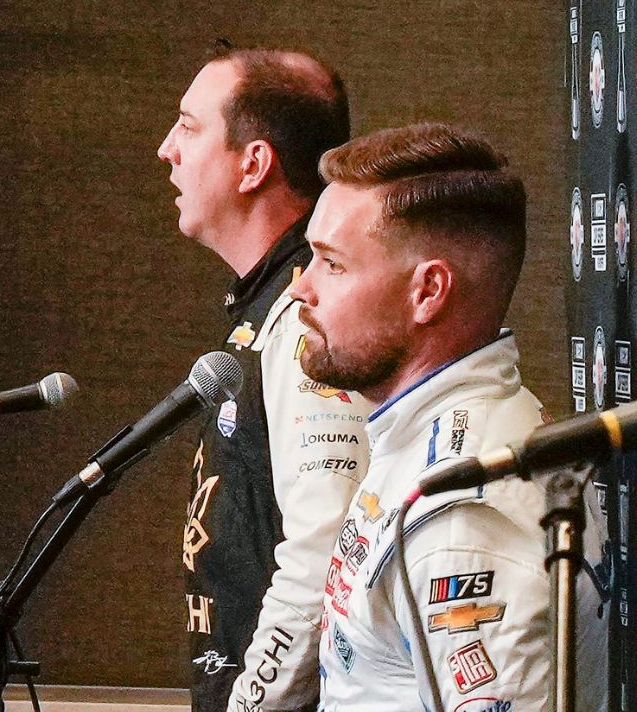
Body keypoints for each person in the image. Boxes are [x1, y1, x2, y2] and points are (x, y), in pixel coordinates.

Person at [288, 122, 607, 712]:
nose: (300, 290)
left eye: (332, 265)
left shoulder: (462, 521)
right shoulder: (422, 438)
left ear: (428, 291)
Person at [157, 44, 374, 712]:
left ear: (254, 164)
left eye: (190, 128)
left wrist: (253, 702)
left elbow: (324, 545)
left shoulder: (309, 312)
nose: (166, 149)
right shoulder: (268, 304)